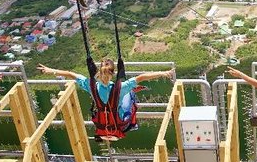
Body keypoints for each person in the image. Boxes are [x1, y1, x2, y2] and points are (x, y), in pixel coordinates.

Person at [37, 60, 174, 140]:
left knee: (125, 93)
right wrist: (163, 73)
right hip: (120, 123)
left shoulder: (92, 86)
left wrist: (50, 70)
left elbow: (71, 74)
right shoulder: (121, 87)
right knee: (130, 94)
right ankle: (133, 124)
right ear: (112, 74)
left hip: (102, 124)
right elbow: (142, 77)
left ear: (99, 73)